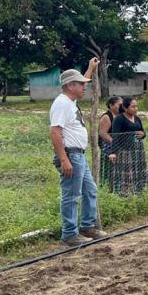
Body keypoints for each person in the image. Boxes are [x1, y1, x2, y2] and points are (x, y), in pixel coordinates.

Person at [49, 58, 107, 246]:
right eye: (81, 84)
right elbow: (55, 131)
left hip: (78, 155)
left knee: (90, 190)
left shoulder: (70, 100)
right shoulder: (62, 103)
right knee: (72, 195)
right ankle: (69, 234)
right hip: (71, 155)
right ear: (70, 85)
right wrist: (63, 159)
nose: (84, 87)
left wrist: (90, 69)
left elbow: (82, 83)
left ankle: (87, 226)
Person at [110, 97, 147, 196]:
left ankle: (138, 190)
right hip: (125, 150)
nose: (136, 109)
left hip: (138, 150)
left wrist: (143, 134)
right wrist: (113, 152)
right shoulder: (119, 119)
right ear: (125, 108)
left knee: (138, 169)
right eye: (133, 106)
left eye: (136, 106)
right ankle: (125, 192)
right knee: (126, 171)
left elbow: (142, 131)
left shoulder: (137, 118)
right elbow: (115, 136)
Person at [98, 96, 122, 192]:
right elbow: (103, 134)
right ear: (111, 105)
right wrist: (115, 143)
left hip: (121, 145)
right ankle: (107, 187)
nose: (122, 106)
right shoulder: (107, 117)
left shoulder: (121, 115)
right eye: (119, 104)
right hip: (109, 147)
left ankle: (118, 187)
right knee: (109, 168)